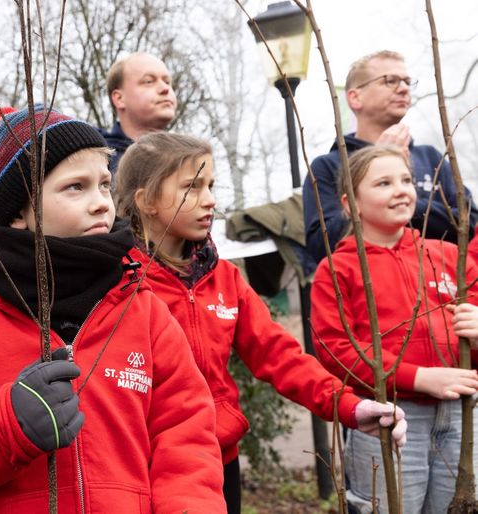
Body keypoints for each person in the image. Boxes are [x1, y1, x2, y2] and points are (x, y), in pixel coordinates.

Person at [0, 106, 226, 513]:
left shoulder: (142, 308)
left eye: (104, 184)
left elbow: (186, 438)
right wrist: (7, 425)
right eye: (75, 187)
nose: (102, 203)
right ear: (18, 212)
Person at [115, 132, 408, 514]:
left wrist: (349, 406)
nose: (210, 199)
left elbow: (278, 353)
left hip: (218, 460)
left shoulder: (223, 278)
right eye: (192, 187)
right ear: (146, 200)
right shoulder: (119, 281)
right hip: (142, 464)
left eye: (211, 185)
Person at [311, 145, 478, 513]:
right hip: (390, 419)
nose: (401, 189)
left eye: (405, 179)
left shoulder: (448, 256)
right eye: (384, 183)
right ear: (350, 203)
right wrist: (417, 377)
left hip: (462, 415)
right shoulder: (338, 269)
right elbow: (335, 350)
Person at [302, 50, 478, 265]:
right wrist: (377, 162)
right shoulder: (329, 166)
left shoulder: (431, 157)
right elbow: (321, 246)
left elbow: (468, 225)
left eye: (407, 81)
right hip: (371, 291)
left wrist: (405, 204)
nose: (403, 88)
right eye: (390, 81)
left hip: (439, 286)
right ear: (355, 97)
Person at [100, 52, 177, 173]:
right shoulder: (98, 161)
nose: (165, 88)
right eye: (148, 81)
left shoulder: (184, 161)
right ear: (119, 98)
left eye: (167, 82)